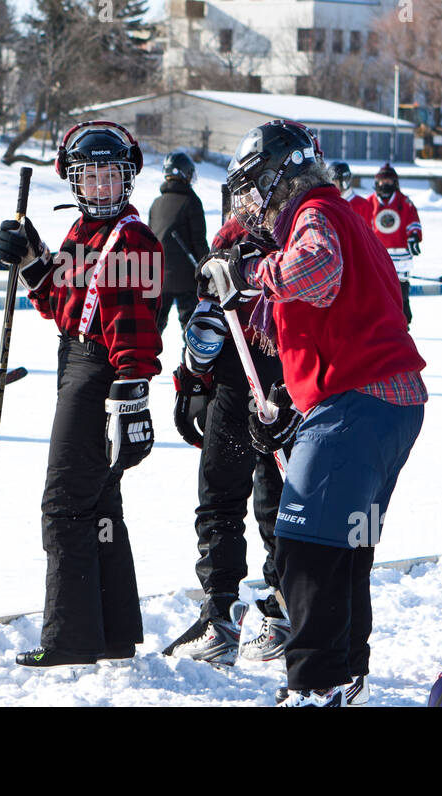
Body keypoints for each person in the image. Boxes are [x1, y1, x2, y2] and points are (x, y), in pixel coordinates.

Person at [199, 120, 426, 706]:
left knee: (306, 541)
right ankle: (346, 667)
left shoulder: (315, 213)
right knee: (350, 541)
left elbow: (318, 276)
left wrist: (249, 274)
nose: (248, 202)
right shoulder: (338, 211)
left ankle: (315, 682)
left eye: (252, 187)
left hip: (359, 400)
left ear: (279, 179)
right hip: (387, 404)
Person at [0, 120, 163, 667]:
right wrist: (28, 257)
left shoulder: (132, 238)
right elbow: (58, 303)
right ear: (75, 183)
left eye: (110, 178)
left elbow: (136, 322)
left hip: (101, 373)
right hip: (75, 360)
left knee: (64, 504)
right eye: (90, 179)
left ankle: (69, 637)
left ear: (127, 180)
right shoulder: (81, 233)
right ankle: (112, 632)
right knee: (97, 501)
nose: (100, 188)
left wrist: (131, 393)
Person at [165, 212, 289, 666]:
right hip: (291, 384)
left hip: (249, 385)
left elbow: (204, 330)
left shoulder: (243, 233)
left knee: (225, 499)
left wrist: (193, 381)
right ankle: (279, 609)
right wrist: (192, 383)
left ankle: (225, 615)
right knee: (279, 499)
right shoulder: (313, 225)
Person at [147, 151, 208, 332]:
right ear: (185, 174)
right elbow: (199, 241)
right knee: (191, 329)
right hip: (186, 279)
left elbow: (150, 239)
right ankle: (190, 360)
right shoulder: (191, 201)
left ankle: (147, 358)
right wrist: (207, 269)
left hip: (159, 278)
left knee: (154, 328)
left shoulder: (156, 203)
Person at [366, 164, 421, 327]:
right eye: (382, 180)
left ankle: (404, 319)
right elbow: (364, 225)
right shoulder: (369, 202)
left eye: (388, 180)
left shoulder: (404, 202)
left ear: (395, 182)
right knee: (378, 287)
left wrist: (414, 237)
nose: (384, 184)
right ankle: (380, 320)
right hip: (378, 254)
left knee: (401, 288)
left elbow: (413, 223)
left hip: (401, 253)